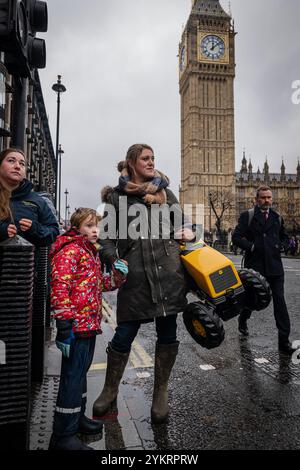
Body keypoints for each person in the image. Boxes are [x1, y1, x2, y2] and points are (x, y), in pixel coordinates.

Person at [93, 143, 195, 424]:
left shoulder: (165, 193)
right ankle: (109, 389)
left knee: (167, 333)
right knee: (124, 333)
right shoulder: (115, 198)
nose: (151, 162)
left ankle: (160, 392)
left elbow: (184, 225)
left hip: (168, 274)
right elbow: (105, 238)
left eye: (153, 158)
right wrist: (115, 260)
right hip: (135, 277)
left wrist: (187, 230)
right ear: (131, 163)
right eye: (145, 158)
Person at [49, 207, 128, 450]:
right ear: (76, 228)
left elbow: (98, 285)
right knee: (72, 378)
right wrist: (64, 325)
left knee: (80, 375)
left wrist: (117, 276)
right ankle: (63, 435)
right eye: (89, 226)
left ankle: (77, 419)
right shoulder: (71, 251)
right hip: (75, 327)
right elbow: (59, 287)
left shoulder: (88, 252)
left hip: (89, 325)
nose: (95, 230)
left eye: (97, 226)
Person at [232, 185, 296, 355]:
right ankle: (243, 319)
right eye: (263, 197)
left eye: (269, 197)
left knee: (280, 304)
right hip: (255, 268)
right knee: (250, 300)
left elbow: (285, 237)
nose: (266, 200)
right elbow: (236, 237)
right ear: (257, 199)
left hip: (275, 268)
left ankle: (284, 342)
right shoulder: (248, 216)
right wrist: (251, 247)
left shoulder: (277, 217)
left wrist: (281, 246)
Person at [0, 148, 59, 245]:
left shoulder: (37, 200)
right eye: (11, 161)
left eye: (22, 164)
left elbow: (53, 232)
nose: (17, 166)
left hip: (27, 259)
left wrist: (35, 229)